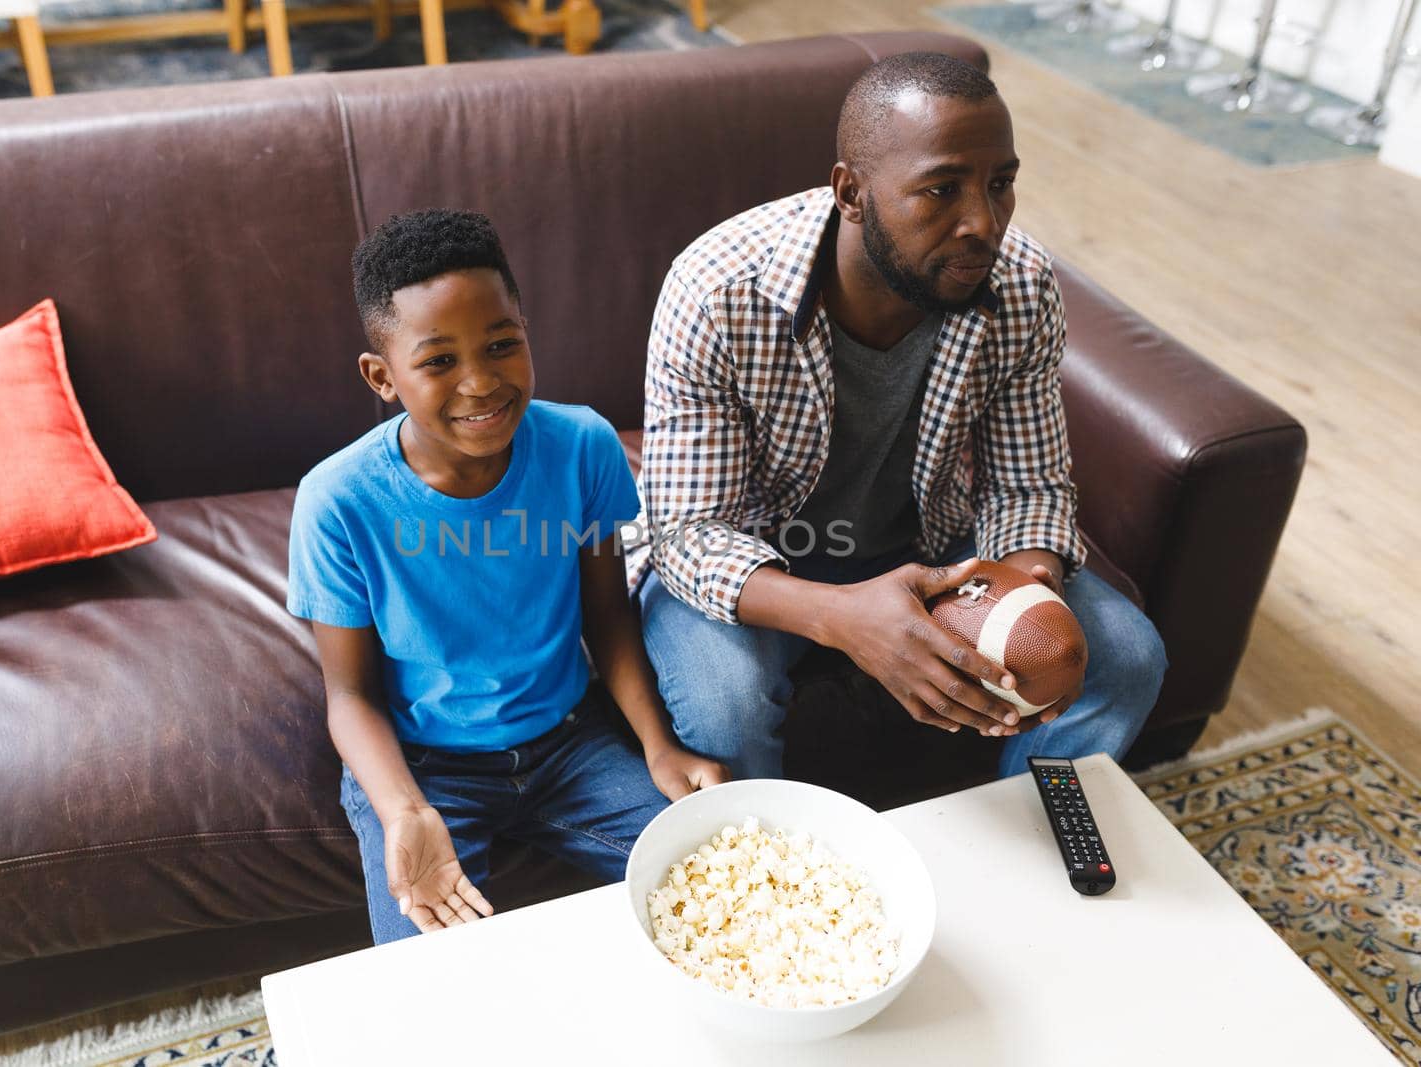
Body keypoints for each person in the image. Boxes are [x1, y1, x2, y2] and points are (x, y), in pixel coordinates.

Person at [628, 52, 1168, 782]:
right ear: (851, 193)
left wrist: (1021, 601)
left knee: (1125, 657)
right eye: (941, 189)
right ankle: (770, 868)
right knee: (728, 699)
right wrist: (845, 616)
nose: (983, 221)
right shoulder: (719, 291)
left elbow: (1029, 487)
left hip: (929, 551)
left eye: (1000, 183)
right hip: (758, 556)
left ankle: (1025, 851)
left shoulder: (1020, 283)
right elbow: (689, 535)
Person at [289, 209, 726, 944]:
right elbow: (350, 694)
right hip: (427, 770)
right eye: (438, 361)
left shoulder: (583, 445)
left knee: (722, 883)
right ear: (382, 376)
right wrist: (404, 810)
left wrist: (658, 744)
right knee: (435, 974)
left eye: (501, 345)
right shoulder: (337, 501)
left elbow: (608, 619)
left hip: (568, 743)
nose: (482, 383)